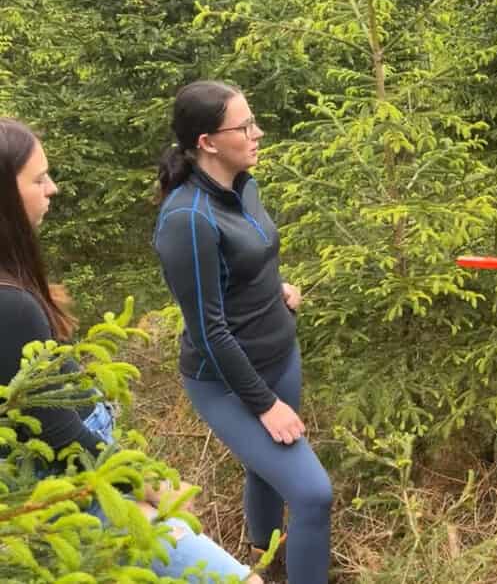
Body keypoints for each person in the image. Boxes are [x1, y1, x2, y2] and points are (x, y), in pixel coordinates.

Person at [0, 117, 261, 582]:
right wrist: (148, 485)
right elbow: (54, 434)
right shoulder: (10, 303)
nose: (52, 189)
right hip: (71, 489)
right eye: (38, 179)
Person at [153, 81, 332, 583]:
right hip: (227, 381)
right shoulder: (186, 218)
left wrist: (277, 287)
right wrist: (264, 405)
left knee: (266, 473)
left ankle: (266, 561)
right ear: (208, 141)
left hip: (280, 354)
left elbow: (249, 257)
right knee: (313, 494)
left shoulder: (243, 185)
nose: (257, 133)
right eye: (245, 125)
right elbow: (207, 329)